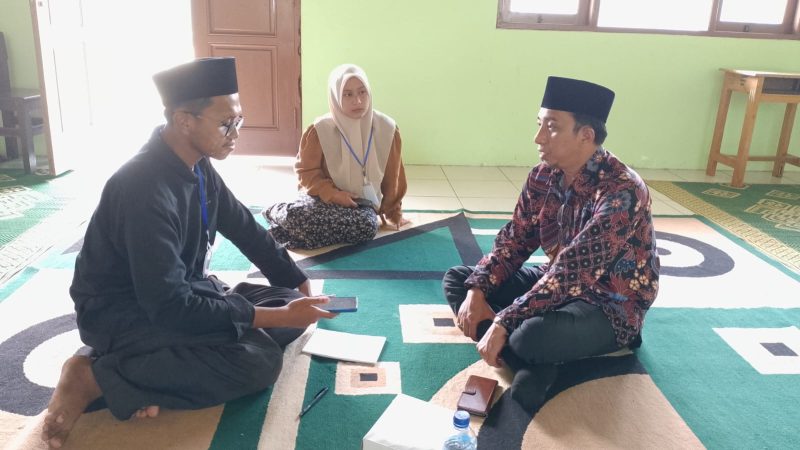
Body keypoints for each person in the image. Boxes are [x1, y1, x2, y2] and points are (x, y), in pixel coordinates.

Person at [41, 57, 337, 449]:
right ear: (184, 121)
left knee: (288, 307)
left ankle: (152, 372)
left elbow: (243, 226)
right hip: (126, 313)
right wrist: (269, 317)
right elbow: (169, 306)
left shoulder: (196, 166)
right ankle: (93, 378)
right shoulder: (143, 188)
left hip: (183, 293)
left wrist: (294, 282)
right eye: (225, 123)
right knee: (259, 362)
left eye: (238, 120)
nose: (235, 133)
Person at [442, 76, 660, 411]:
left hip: (609, 304)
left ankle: (526, 350)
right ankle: (532, 365)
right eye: (539, 124)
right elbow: (514, 240)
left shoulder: (623, 190)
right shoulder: (543, 175)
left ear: (586, 135)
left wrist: (503, 320)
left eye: (552, 127)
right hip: (555, 280)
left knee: (528, 335)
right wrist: (479, 290)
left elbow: (574, 272)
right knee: (461, 282)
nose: (538, 137)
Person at [263, 64, 409, 249]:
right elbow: (306, 173)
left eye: (362, 92)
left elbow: (394, 177)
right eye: (347, 94)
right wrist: (333, 194)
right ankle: (276, 211)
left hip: (359, 206)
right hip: (322, 199)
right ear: (335, 96)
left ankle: (283, 231)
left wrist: (394, 212)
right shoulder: (320, 130)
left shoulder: (387, 128)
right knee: (297, 215)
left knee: (367, 227)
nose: (357, 101)